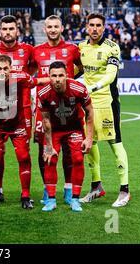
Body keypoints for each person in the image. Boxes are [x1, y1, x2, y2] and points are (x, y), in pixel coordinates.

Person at [0, 55, 47, 209]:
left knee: (24, 157)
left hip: (17, 125)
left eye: (5, 68)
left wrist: (61, 79)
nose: (2, 71)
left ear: (11, 68)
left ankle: (25, 196)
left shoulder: (21, 77)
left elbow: (38, 81)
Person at [30, 15, 83, 205]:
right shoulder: (36, 51)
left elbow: (80, 69)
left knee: (70, 149)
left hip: (68, 105)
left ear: (62, 28)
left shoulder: (72, 49)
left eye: (56, 26)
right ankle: (47, 189)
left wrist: (68, 84)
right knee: (43, 148)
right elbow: (30, 75)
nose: (53, 30)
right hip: (44, 103)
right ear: (44, 29)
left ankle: (68, 190)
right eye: (49, 27)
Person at [78, 13, 131, 207]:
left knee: (115, 144)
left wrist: (89, 89)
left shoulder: (112, 48)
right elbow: (73, 71)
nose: (94, 29)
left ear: (104, 27)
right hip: (88, 105)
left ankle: (125, 190)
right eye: (91, 25)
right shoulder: (81, 48)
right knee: (90, 143)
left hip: (108, 103)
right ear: (86, 27)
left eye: (98, 25)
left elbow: (110, 76)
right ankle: (96, 187)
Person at [0, 15, 34, 203]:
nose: (8, 32)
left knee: (23, 154)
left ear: (17, 31)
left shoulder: (28, 50)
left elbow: (33, 71)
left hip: (23, 109)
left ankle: (27, 195)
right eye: (4, 29)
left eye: (11, 29)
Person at [37, 61, 94, 212]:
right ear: (48, 76)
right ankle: (51, 200)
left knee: (77, 159)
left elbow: (89, 113)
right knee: (49, 159)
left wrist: (89, 138)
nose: (57, 79)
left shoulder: (78, 89)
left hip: (74, 128)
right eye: (53, 76)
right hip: (54, 130)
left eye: (61, 75)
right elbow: (46, 121)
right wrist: (49, 147)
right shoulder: (43, 93)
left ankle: (75, 199)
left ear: (67, 75)